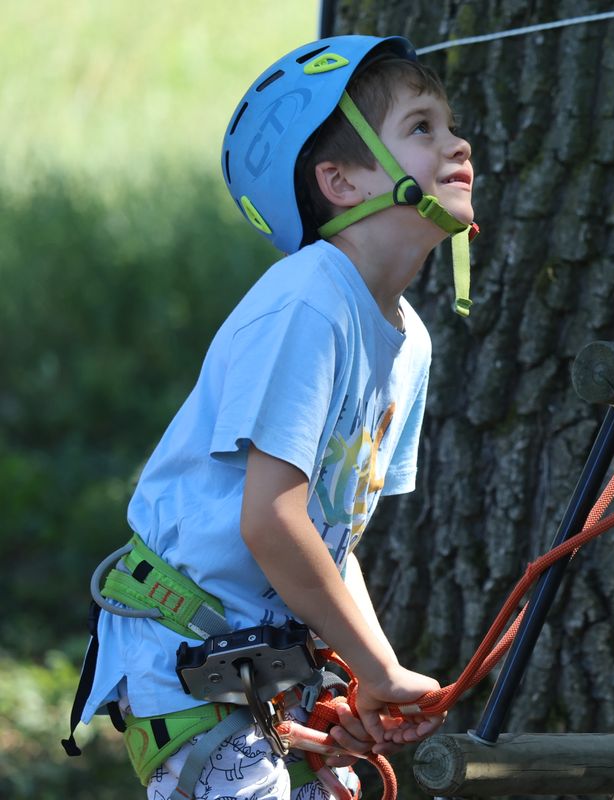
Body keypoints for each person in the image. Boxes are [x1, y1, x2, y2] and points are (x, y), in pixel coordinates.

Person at [62, 34, 477, 799]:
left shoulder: (408, 340)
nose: (459, 144)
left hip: (262, 664)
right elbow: (271, 522)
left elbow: (330, 536)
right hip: (187, 658)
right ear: (341, 180)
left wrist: (367, 675)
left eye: (449, 125)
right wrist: (378, 668)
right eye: (422, 127)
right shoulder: (311, 300)